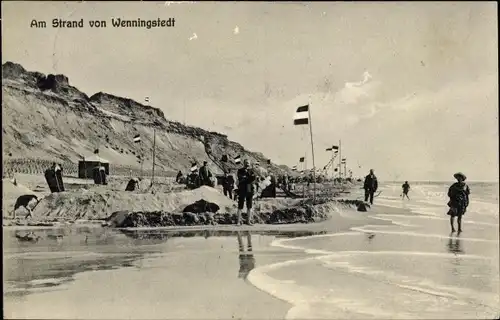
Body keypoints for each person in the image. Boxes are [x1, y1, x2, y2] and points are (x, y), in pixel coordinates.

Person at [236, 159, 256, 225]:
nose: (247, 164)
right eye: (246, 163)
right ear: (244, 163)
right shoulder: (240, 170)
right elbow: (240, 179)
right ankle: (238, 221)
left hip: (249, 188)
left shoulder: (251, 171)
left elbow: (253, 178)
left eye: (248, 163)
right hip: (242, 188)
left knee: (249, 205)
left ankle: (248, 221)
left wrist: (246, 178)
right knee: (240, 205)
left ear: (250, 164)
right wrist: (248, 178)